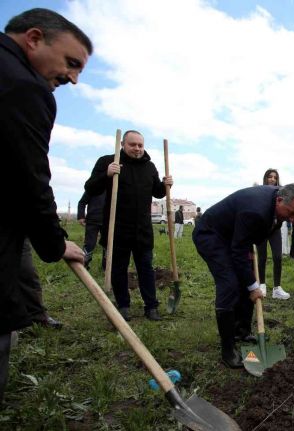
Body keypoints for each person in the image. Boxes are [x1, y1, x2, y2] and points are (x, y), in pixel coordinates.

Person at [0, 8, 90, 403]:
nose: (72, 78)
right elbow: (29, 177)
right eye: (71, 63)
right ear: (34, 38)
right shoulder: (24, 86)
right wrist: (54, 243)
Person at [192, 184, 294, 368]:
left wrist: (250, 263)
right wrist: (254, 288)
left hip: (235, 236)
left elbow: (257, 234)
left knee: (247, 279)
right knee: (230, 284)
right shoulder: (256, 210)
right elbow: (237, 252)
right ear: (279, 201)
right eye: (291, 213)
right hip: (211, 235)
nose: (292, 220)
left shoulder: (280, 203)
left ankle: (241, 332)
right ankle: (228, 350)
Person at [84, 130, 173, 322]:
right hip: (117, 228)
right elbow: (90, 188)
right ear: (123, 144)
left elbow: (157, 192)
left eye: (140, 145)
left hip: (142, 230)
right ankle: (123, 306)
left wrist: (166, 185)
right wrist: (107, 174)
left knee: (146, 269)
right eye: (133, 144)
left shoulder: (149, 167)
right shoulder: (109, 162)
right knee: (118, 268)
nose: (137, 148)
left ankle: (151, 307)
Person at [256, 169, 290, 299]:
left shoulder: (280, 193)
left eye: (275, 177)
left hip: (275, 229)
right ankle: (262, 285)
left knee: (277, 257)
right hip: (262, 229)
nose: (272, 179)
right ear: (265, 178)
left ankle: (277, 288)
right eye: (270, 177)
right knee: (262, 257)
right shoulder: (260, 192)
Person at [77, 189, 105, 270]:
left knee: (107, 244)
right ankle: (84, 264)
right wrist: (81, 216)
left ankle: (106, 267)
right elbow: (82, 202)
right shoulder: (93, 187)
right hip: (92, 221)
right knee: (89, 244)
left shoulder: (112, 187)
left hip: (107, 222)